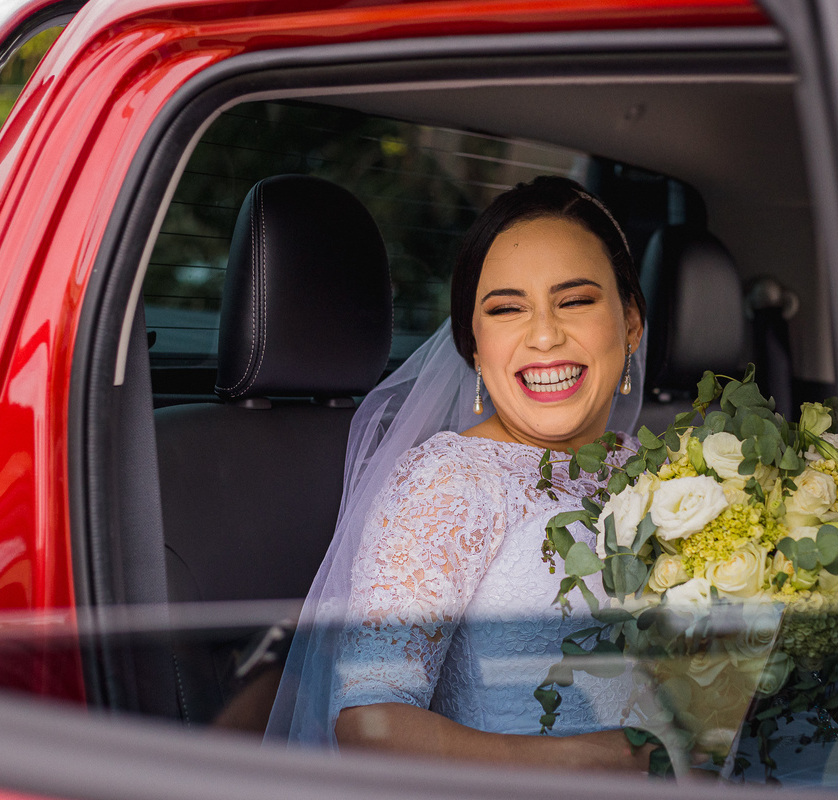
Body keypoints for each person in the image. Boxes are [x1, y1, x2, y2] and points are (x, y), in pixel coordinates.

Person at [266, 176, 651, 771]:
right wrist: (582, 761)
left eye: (575, 301)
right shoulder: (449, 482)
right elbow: (371, 724)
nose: (545, 335)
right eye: (506, 309)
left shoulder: (670, 475)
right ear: (473, 345)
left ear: (630, 322)